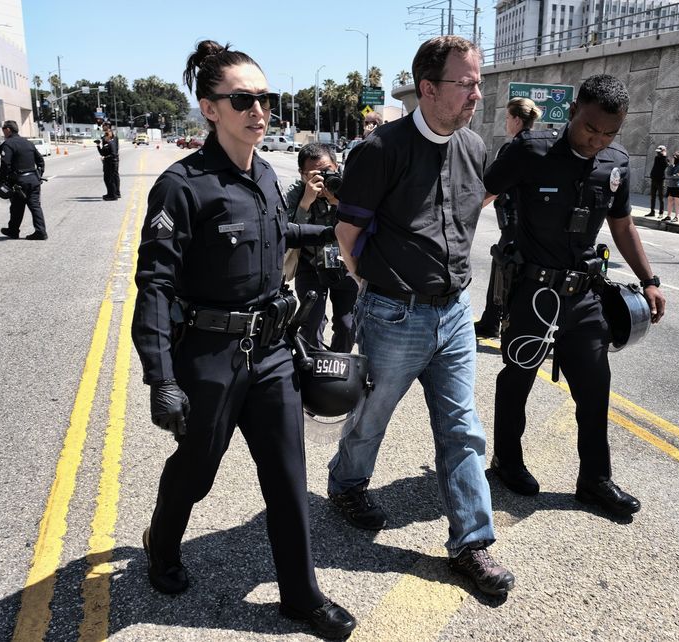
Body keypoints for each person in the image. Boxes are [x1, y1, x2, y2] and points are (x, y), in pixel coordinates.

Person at [131, 40, 355, 639]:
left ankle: (301, 596)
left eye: (266, 98)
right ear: (209, 107)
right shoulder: (184, 186)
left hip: (273, 352)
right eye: (244, 99)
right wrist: (162, 380)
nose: (260, 110)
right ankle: (161, 542)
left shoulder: (265, 176)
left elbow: (283, 231)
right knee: (197, 470)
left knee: (286, 473)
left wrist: (343, 224)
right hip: (208, 356)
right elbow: (153, 287)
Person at [327, 35, 515, 597]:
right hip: (394, 312)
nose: (477, 94)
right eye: (466, 83)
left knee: (462, 429)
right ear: (428, 89)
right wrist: (376, 287)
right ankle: (347, 485)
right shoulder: (380, 150)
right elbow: (347, 233)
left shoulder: (475, 148)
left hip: (454, 312)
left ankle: (471, 544)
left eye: (479, 82)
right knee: (371, 415)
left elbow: (471, 205)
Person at [483, 74, 666, 517]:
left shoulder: (616, 163)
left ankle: (594, 479)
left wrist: (649, 279)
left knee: (594, 386)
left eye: (609, 133)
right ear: (573, 111)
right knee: (518, 378)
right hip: (532, 291)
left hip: (583, 295)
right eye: (590, 128)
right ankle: (507, 460)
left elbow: (623, 226)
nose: (597, 140)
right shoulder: (530, 150)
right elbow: (478, 197)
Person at [474, 97, 542, 339]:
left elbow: (492, 186)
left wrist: (470, 212)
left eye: (507, 118)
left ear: (516, 119)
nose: (506, 123)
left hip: (512, 226)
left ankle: (493, 322)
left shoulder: (514, 148)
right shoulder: (544, 146)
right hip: (534, 226)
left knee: (501, 271)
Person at [283, 143, 357, 352]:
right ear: (302, 174)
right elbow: (289, 233)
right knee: (311, 321)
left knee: (347, 325)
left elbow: (361, 226)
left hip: (345, 264)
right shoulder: (296, 193)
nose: (323, 179)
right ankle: (312, 369)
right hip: (310, 264)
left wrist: (337, 202)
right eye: (315, 174)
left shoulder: (349, 187)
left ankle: (337, 367)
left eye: (327, 171)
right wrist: (306, 202)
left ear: (336, 166)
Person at [0, 120, 47, 240]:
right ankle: (40, 231)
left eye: (3, 128)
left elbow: (5, 163)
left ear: (8, 129)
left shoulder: (8, 144)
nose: (3, 131)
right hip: (33, 181)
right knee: (35, 206)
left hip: (19, 182)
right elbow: (40, 161)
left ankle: (13, 230)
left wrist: (1, 180)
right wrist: (38, 175)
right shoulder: (28, 143)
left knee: (16, 207)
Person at [96, 122, 121, 201]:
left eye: (103, 126)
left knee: (112, 177)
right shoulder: (108, 137)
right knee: (111, 177)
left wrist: (111, 157)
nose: (102, 127)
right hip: (110, 159)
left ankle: (115, 193)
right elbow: (104, 150)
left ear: (107, 126)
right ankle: (114, 193)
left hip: (112, 160)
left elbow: (114, 149)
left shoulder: (112, 137)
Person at [644, 144, 669, 218]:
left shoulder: (666, 159)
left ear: (663, 151)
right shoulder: (656, 158)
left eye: (659, 152)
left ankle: (661, 213)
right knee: (653, 197)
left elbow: (666, 165)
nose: (658, 153)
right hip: (654, 179)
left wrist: (664, 156)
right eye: (657, 152)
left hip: (661, 181)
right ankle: (652, 212)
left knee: (661, 198)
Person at [662, 151, 679, 222]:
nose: (674, 159)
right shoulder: (673, 165)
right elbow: (668, 174)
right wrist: (670, 166)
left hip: (677, 186)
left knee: (677, 202)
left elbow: (678, 176)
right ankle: (668, 216)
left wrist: (672, 176)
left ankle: (676, 217)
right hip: (670, 186)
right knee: (669, 201)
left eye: (675, 158)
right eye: (673, 157)